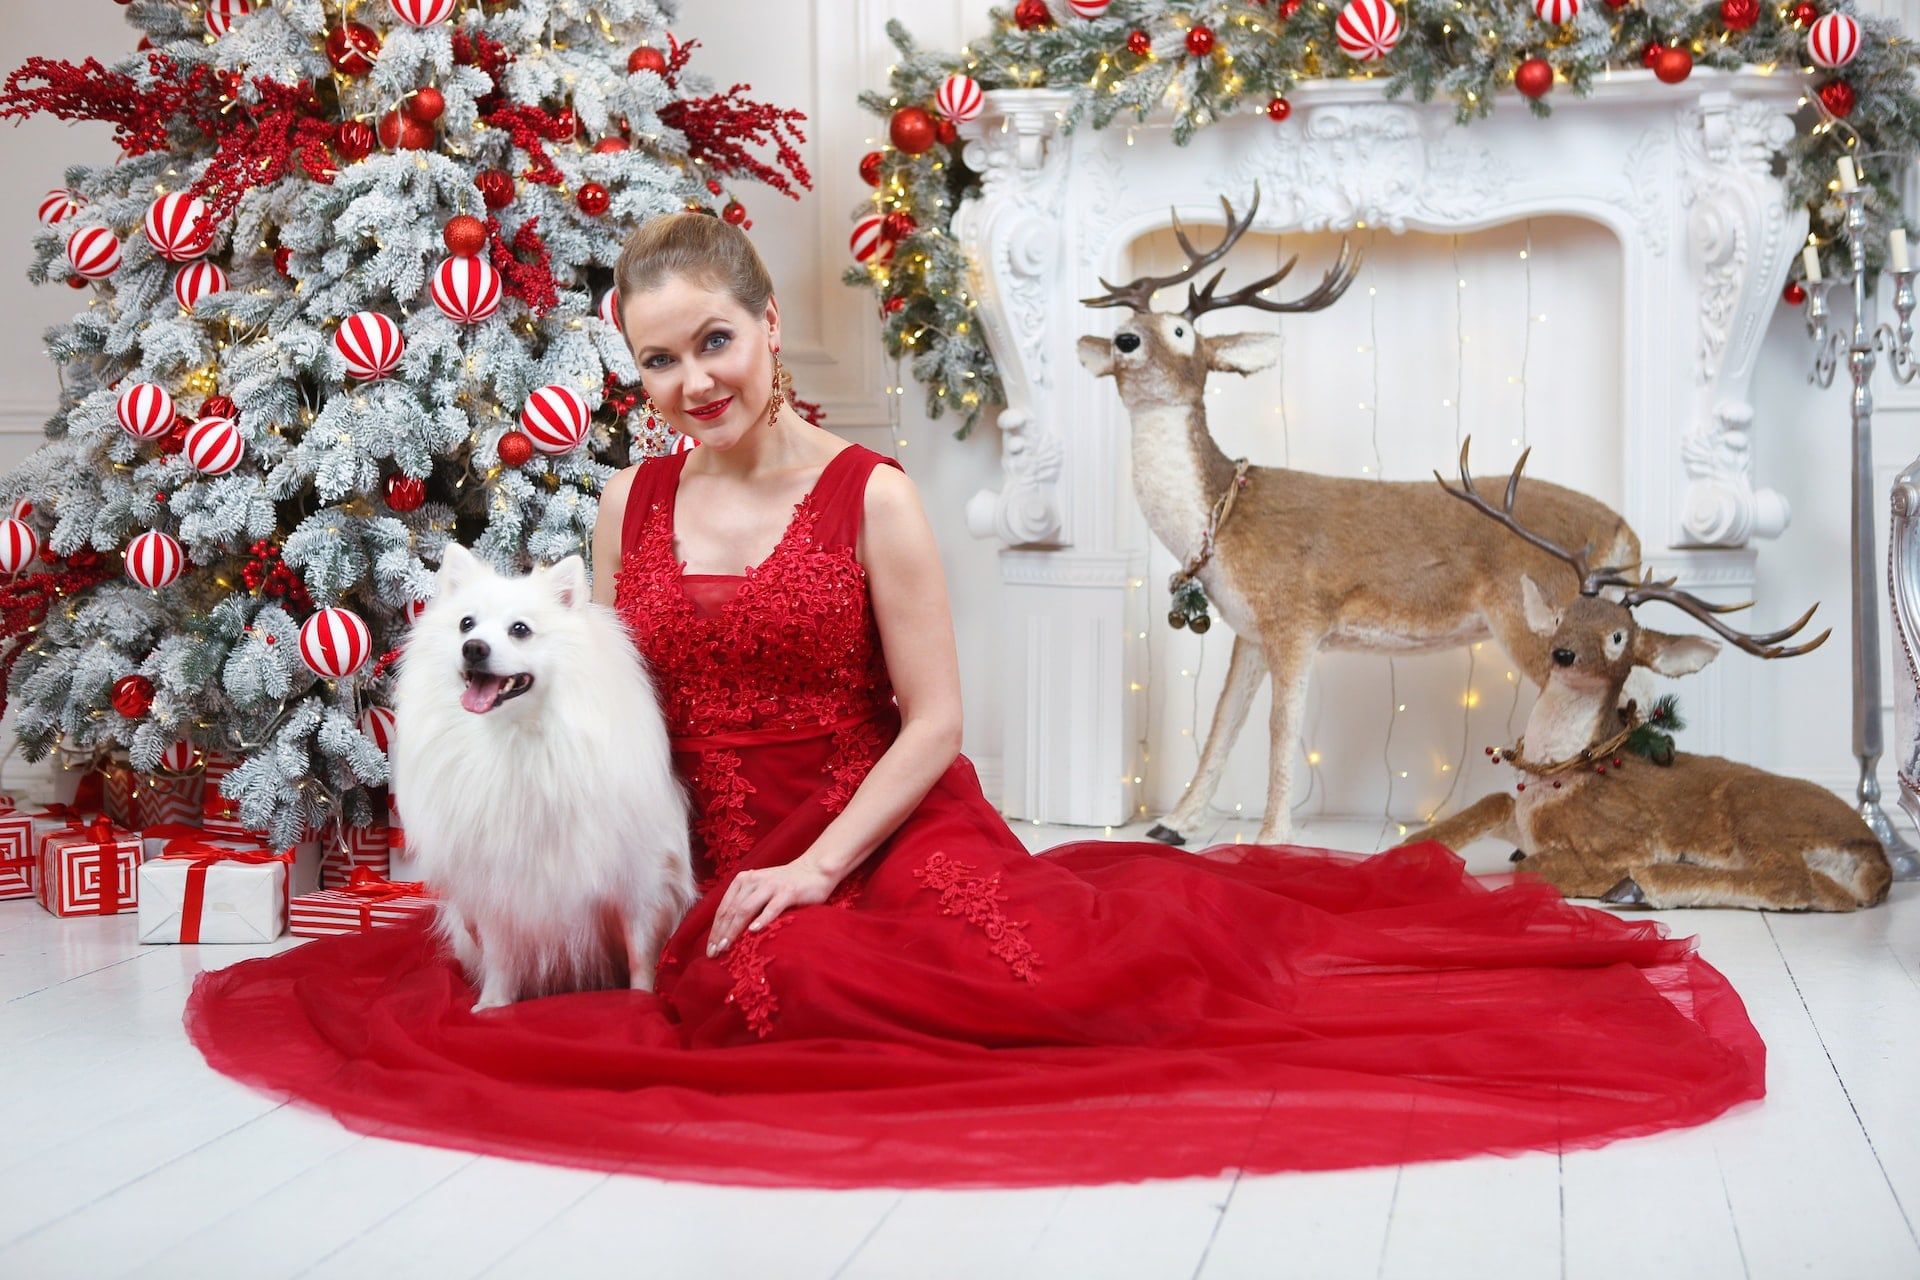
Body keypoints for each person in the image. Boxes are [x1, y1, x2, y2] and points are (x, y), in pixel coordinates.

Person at [186, 212, 1765, 1189]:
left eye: (712, 343)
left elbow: (936, 722)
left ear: (766, 329)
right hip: (707, 836)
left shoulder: (871, 496)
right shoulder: (624, 508)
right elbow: (615, 709)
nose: (690, 384)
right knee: (715, 994)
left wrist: (812, 867)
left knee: (995, 992)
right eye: (656, 363)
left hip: (878, 821)